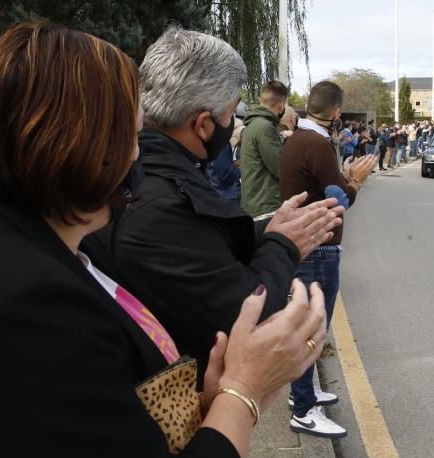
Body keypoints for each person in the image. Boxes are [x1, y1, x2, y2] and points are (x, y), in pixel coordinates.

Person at [0, 21, 327, 458]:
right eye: (131, 129)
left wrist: (203, 407)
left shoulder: (14, 243)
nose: (137, 151)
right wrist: (243, 390)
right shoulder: (32, 306)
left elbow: (90, 439)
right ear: (86, 143)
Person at [103, 28, 342, 378]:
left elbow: (204, 247)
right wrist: (284, 245)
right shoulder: (159, 204)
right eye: (230, 115)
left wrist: (266, 230)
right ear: (203, 125)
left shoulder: (154, 174)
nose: (234, 124)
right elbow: (247, 313)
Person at [279, 81, 377, 439]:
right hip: (318, 249)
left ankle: (303, 392)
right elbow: (339, 201)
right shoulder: (318, 145)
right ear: (336, 112)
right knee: (312, 329)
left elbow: (324, 186)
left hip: (305, 245)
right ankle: (303, 408)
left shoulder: (296, 140)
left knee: (307, 325)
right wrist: (356, 181)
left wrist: (344, 175)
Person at [241, 80, 289, 218]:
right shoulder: (264, 127)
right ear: (281, 105)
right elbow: (280, 168)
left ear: (260, 100)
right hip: (265, 207)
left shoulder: (254, 124)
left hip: (255, 203)